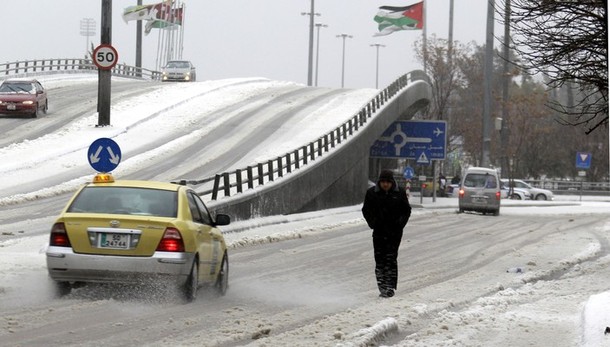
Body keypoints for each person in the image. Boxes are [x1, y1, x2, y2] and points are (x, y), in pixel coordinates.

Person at [362, 169, 412, 298]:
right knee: (380, 259)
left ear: (392, 182)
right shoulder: (372, 193)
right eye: (383, 182)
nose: (385, 184)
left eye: (388, 182)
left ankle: (390, 287)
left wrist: (400, 224)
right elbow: (366, 210)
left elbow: (406, 210)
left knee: (391, 259)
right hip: (379, 231)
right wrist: (372, 223)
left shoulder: (399, 193)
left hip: (394, 233)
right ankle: (382, 286)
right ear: (379, 182)